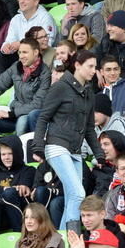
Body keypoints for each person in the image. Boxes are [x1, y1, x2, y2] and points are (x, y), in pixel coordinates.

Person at [34, 50, 103, 230]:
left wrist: (99, 154)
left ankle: (64, 242)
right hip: (56, 145)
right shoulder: (60, 87)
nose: (93, 71)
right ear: (77, 65)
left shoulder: (89, 93)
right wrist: (38, 147)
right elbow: (43, 118)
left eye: (95, 67)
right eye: (90, 66)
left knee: (72, 197)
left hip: (75, 150)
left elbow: (89, 128)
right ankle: (72, 240)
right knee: (78, 194)